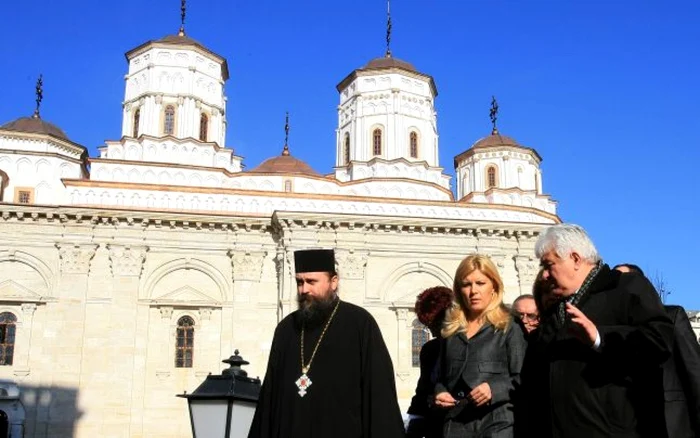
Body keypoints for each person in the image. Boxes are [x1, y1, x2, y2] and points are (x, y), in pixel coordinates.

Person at [519, 224, 674, 438]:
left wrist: (599, 338)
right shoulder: (556, 310)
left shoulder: (625, 287)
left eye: (549, 264)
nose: (544, 275)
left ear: (575, 259)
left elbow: (660, 341)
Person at [248, 249, 406, 438]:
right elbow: (269, 398)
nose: (304, 289)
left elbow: (379, 395)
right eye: (300, 282)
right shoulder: (286, 329)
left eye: (311, 282)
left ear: (333, 282)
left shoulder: (360, 324)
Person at [434, 254, 526, 438]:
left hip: (498, 424)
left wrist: (494, 389)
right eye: (466, 284)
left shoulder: (510, 325)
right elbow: (439, 377)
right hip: (455, 425)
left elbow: (525, 376)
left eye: (480, 283)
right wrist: (440, 393)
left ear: (494, 286)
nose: (473, 291)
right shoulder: (451, 329)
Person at [615, 263, 700, 437]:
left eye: (623, 280)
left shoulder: (672, 317)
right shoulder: (606, 330)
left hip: (669, 427)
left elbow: (695, 374)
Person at [406, 286, 454, 438]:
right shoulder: (429, 349)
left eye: (435, 326)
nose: (432, 333)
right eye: (428, 327)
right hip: (435, 425)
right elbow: (423, 388)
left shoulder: (473, 343)